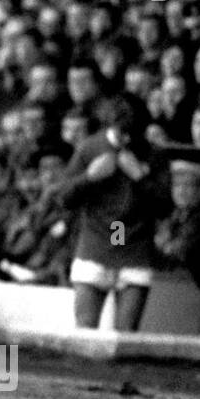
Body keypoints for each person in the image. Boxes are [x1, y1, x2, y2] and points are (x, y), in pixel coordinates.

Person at [55, 94, 158, 332]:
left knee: (126, 339)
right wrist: (89, 178)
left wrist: (140, 178)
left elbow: (164, 207)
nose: (127, 139)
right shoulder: (89, 148)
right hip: (95, 248)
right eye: (122, 133)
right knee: (85, 333)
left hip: (135, 252)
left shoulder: (151, 152)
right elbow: (63, 198)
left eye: (134, 134)